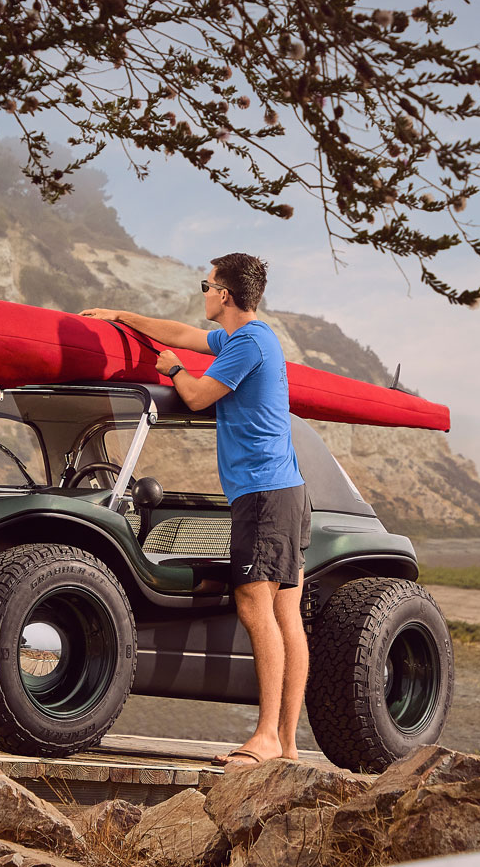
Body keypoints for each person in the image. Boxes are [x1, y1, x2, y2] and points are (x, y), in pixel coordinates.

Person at [81, 253, 308, 766]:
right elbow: (181, 332)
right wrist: (121, 317)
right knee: (286, 612)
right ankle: (289, 746)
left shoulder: (247, 342)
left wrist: (174, 370)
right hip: (287, 490)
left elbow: (200, 395)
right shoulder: (247, 337)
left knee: (255, 606)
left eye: (206, 285)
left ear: (223, 294)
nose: (203, 292)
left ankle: (268, 737)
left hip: (264, 494)